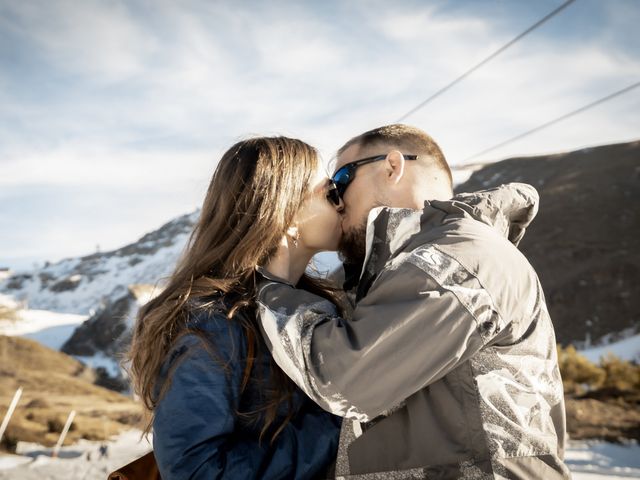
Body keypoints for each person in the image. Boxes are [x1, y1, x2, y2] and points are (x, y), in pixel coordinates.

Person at [257, 124, 570, 479]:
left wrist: (274, 287)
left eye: (342, 180)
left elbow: (344, 381)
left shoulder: (461, 256)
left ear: (392, 167)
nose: (338, 200)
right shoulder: (404, 271)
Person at [124, 137, 343, 479]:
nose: (342, 203)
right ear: (287, 214)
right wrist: (341, 421)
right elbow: (196, 472)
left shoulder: (313, 303)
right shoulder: (211, 322)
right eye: (330, 192)